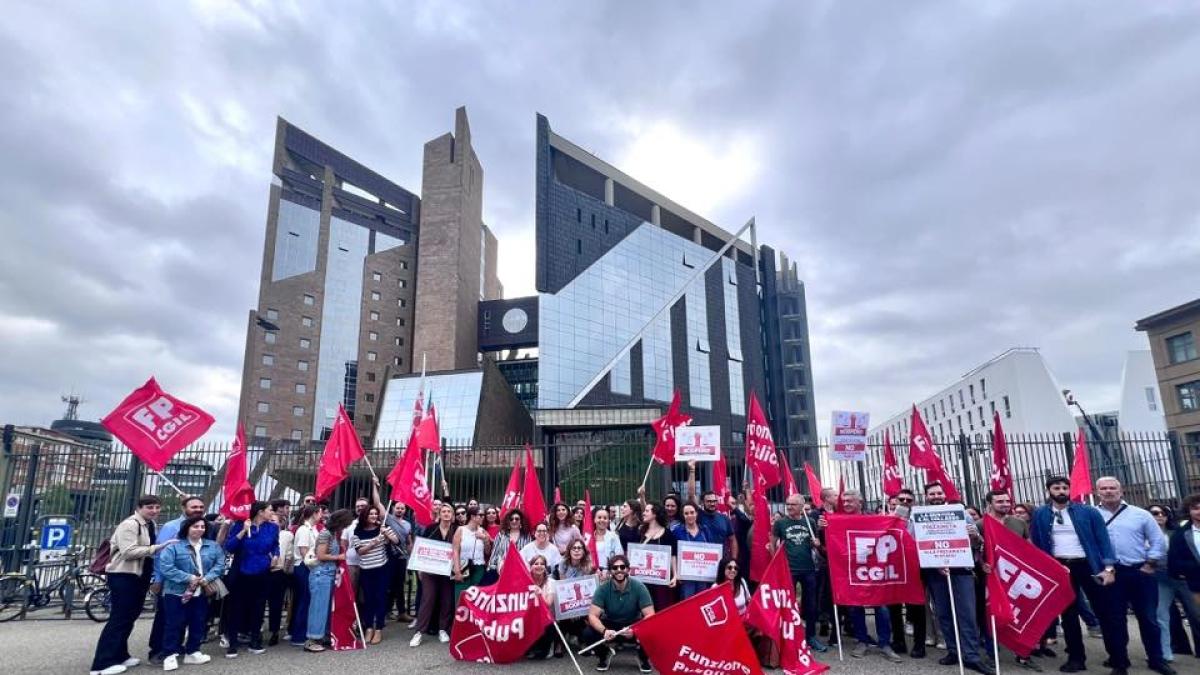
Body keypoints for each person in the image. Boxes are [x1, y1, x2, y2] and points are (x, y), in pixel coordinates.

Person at [1029, 475, 1118, 673]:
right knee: (1068, 615)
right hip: (1060, 568)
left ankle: (1117, 658)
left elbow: (1103, 540)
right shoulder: (1041, 514)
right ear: (1049, 491)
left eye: (1064, 488)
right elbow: (1038, 542)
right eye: (1056, 488)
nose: (1061, 491)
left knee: (1104, 612)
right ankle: (1076, 658)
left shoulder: (1088, 512)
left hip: (1088, 565)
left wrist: (1109, 568)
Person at [1095, 476, 1172, 675]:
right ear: (1098, 492)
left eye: (1113, 488)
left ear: (1121, 491)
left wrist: (1150, 563)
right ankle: (1120, 663)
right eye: (1104, 488)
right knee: (1115, 620)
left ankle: (1156, 659)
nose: (1109, 491)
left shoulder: (1140, 515)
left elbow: (1157, 541)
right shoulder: (1093, 515)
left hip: (1140, 571)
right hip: (1111, 574)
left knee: (1149, 619)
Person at [90, 495, 171, 675]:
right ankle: (102, 663)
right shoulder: (130, 524)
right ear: (139, 507)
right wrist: (156, 548)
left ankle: (120, 654)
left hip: (138, 575)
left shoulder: (149, 524)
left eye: (157, 507)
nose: (155, 511)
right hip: (123, 575)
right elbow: (128, 551)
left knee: (129, 617)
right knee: (119, 618)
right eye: (150, 507)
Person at [920, 482, 990, 674]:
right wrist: (935, 562)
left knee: (966, 614)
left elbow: (977, 543)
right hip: (936, 572)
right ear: (926, 496)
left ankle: (972, 656)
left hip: (962, 570)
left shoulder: (961, 512)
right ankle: (953, 650)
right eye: (932, 493)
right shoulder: (919, 517)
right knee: (943, 613)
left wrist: (975, 535)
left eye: (939, 492)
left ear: (945, 494)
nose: (936, 496)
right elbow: (915, 542)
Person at [978, 489, 1040, 671]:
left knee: (1021, 615)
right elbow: (976, 551)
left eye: (1007, 501)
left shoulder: (1019, 523)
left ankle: (1023, 654)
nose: (1005, 504)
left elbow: (1029, 547)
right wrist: (982, 564)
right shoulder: (981, 524)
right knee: (991, 615)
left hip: (1018, 577)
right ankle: (991, 653)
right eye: (1000, 502)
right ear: (990, 504)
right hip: (993, 578)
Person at [839, 490, 903, 663]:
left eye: (849, 501)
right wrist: (825, 527)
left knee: (881, 606)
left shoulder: (872, 518)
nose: (845, 504)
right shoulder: (839, 520)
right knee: (855, 606)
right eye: (844, 501)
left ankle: (885, 643)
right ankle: (862, 641)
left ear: (860, 502)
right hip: (852, 569)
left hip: (874, 569)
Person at [158, 515, 225, 671]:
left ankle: (193, 651)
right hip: (176, 592)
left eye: (202, 527)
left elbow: (220, 564)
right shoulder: (174, 546)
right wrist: (189, 578)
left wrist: (207, 578)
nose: (200, 529)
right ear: (186, 528)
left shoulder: (212, 546)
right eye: (195, 526)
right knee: (174, 623)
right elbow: (167, 567)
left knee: (198, 621)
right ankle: (169, 654)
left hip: (201, 591)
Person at [148, 495, 209, 665]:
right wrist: (158, 579)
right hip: (172, 581)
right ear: (184, 508)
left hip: (195, 582)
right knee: (166, 617)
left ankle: (176, 647)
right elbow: (160, 554)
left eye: (200, 507)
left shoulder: (203, 527)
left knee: (185, 616)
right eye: (194, 507)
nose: (198, 509)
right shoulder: (171, 526)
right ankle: (158, 650)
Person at [223, 501, 279, 658]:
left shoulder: (272, 527)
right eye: (269, 510)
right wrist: (242, 531)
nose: (272, 513)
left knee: (259, 608)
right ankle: (232, 642)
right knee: (236, 608)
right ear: (260, 512)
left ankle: (255, 640)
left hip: (263, 572)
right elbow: (230, 547)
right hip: (241, 572)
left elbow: (275, 544)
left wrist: (276, 555)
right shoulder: (240, 524)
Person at [773, 493, 826, 651]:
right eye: (788, 504)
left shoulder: (809, 522)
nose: (789, 507)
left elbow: (815, 544)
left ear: (802, 507)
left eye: (793, 505)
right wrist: (776, 564)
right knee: (787, 604)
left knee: (810, 605)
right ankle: (787, 637)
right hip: (789, 569)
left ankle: (810, 637)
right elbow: (773, 544)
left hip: (808, 569)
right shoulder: (780, 523)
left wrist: (816, 544)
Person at [584, 554, 655, 673]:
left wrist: (635, 629)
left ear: (628, 569)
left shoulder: (639, 587)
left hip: (632, 624)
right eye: (615, 568)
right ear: (610, 571)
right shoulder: (603, 589)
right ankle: (604, 654)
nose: (619, 570)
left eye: (622, 567)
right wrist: (604, 631)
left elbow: (650, 615)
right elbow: (592, 615)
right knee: (588, 633)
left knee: (653, 629)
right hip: (611, 625)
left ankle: (642, 657)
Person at [1152, 503, 1200, 665]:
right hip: (1160, 578)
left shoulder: (1178, 532)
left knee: (1196, 614)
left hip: (1183, 578)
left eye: (1164, 513)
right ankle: (1166, 652)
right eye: (1155, 513)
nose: (1159, 516)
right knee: (1161, 615)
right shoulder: (1143, 533)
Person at [306, 508, 353, 653]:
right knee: (318, 607)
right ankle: (312, 639)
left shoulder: (332, 534)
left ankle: (322, 635)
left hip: (328, 574)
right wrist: (338, 558)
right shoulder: (325, 534)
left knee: (325, 607)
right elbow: (320, 555)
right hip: (322, 573)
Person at [886, 488, 926, 659]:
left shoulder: (919, 521)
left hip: (915, 569)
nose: (904, 503)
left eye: (908, 500)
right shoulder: (885, 520)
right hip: (893, 569)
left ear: (913, 503)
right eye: (900, 499)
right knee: (893, 606)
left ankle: (919, 644)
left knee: (916, 607)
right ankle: (899, 641)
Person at [410, 503, 457, 647]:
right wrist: (419, 569)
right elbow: (421, 548)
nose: (446, 513)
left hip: (448, 572)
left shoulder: (456, 530)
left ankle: (443, 629)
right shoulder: (431, 528)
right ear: (439, 514)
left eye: (449, 511)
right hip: (430, 571)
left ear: (452, 515)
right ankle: (419, 632)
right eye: (444, 511)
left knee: (447, 600)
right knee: (427, 599)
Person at [351, 505, 398, 644]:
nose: (373, 516)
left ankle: (379, 629)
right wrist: (374, 542)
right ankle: (369, 628)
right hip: (366, 570)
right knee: (368, 600)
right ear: (365, 515)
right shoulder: (357, 531)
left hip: (382, 568)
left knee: (381, 598)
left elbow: (397, 541)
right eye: (371, 514)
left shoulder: (383, 528)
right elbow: (360, 551)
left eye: (375, 514)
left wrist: (388, 535)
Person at [1166, 494, 1200, 661]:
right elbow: (1174, 558)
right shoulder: (1182, 533)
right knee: (1197, 616)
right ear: (1189, 511)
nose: (1199, 511)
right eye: (1195, 508)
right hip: (1195, 581)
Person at [638, 501, 678, 610]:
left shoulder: (668, 534)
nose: (644, 513)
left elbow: (673, 555)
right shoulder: (640, 532)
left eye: (647, 511)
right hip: (643, 581)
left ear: (654, 514)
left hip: (661, 582)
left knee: (662, 609)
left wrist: (675, 575)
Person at [288, 504, 318, 647]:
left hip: (308, 566)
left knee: (305, 599)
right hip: (304, 566)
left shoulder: (312, 529)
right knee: (304, 599)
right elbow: (304, 551)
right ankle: (298, 635)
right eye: (319, 513)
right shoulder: (304, 530)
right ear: (313, 514)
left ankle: (300, 631)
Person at [671, 502, 712, 600]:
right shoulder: (677, 531)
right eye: (686, 513)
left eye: (692, 512)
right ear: (683, 515)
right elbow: (674, 555)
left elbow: (712, 551)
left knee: (703, 602)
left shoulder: (704, 530)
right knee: (688, 603)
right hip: (686, 578)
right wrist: (676, 574)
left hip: (703, 576)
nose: (689, 515)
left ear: (696, 513)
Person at [267, 500, 294, 646]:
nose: (272, 523)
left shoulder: (286, 535)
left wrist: (284, 569)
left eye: (274, 521)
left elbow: (289, 555)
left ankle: (274, 631)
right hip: (262, 572)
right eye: (270, 520)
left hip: (278, 572)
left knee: (276, 604)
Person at [452, 505, 491, 601]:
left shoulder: (483, 531)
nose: (483, 517)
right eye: (480, 515)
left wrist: (485, 539)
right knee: (460, 595)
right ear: (473, 517)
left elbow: (487, 551)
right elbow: (455, 550)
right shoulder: (461, 530)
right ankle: (459, 615)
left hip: (478, 567)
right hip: (463, 566)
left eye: (483, 515)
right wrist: (457, 570)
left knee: (476, 596)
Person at [385, 502, 414, 622]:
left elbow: (408, 542)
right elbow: (378, 504)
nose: (400, 510)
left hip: (402, 558)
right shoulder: (388, 519)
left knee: (400, 585)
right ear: (393, 508)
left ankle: (401, 612)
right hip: (388, 556)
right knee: (388, 584)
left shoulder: (407, 524)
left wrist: (410, 558)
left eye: (402, 508)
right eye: (397, 508)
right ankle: (386, 611)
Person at [486, 508, 531, 584]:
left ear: (521, 521)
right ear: (508, 521)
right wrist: (491, 569)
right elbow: (495, 553)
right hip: (502, 572)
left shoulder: (527, 536)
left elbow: (529, 554)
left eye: (517, 519)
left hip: (520, 572)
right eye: (511, 519)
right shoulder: (501, 535)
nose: (514, 521)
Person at [589, 505, 624, 578]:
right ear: (594, 520)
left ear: (608, 521)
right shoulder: (588, 537)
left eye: (605, 518)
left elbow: (619, 556)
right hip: (592, 574)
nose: (602, 520)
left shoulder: (613, 536)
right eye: (599, 517)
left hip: (609, 574)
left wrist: (610, 571)